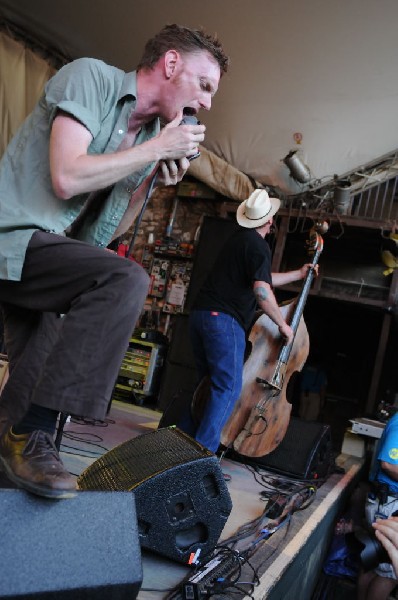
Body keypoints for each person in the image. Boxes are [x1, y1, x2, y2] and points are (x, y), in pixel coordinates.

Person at [0, 24, 229, 499]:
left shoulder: (148, 139)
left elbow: (108, 232)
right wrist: (155, 149)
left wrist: (149, 181)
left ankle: (21, 443)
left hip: (48, 261)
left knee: (24, 398)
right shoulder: (91, 78)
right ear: (170, 65)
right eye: (204, 86)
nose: (206, 103)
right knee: (125, 279)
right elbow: (66, 177)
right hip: (13, 237)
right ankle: (37, 429)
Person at [180, 189, 317, 453]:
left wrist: (298, 274)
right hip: (223, 320)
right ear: (269, 221)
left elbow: (263, 279)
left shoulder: (239, 241)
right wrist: (283, 324)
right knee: (228, 388)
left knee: (207, 386)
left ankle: (180, 445)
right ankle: (200, 456)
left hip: (201, 316)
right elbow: (262, 291)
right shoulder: (258, 246)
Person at [357, 412, 398, 599]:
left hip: (384, 502)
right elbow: (389, 464)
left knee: (372, 563)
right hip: (389, 504)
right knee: (389, 573)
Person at [298, 354, 327, 421]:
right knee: (310, 417)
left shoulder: (305, 368)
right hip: (314, 395)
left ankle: (299, 427)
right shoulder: (321, 372)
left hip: (304, 393)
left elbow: (298, 377)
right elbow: (323, 387)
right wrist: (322, 400)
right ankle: (305, 429)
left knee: (302, 414)